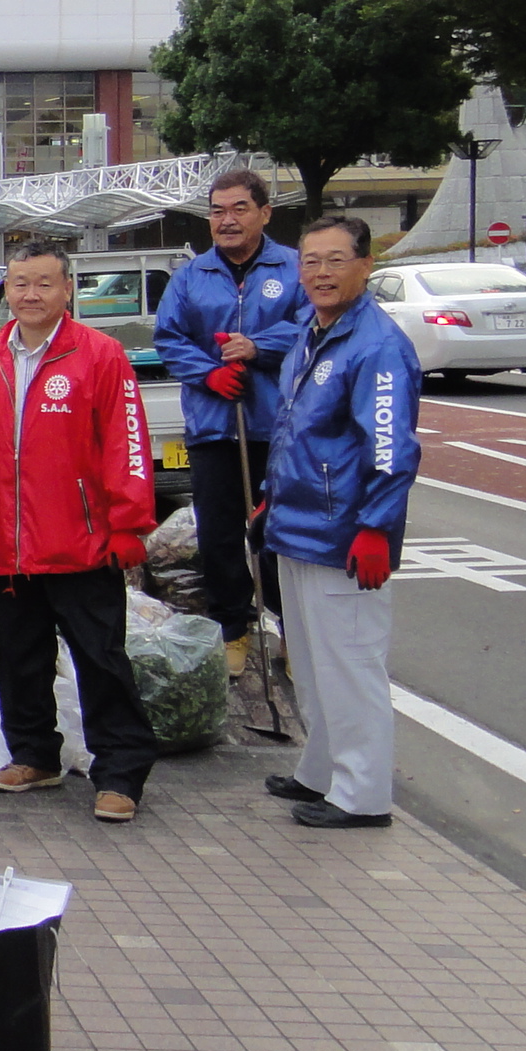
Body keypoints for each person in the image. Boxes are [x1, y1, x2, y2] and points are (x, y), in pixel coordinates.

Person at [0, 241, 162, 823]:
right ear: (6, 290)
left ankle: (120, 772)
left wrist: (129, 523)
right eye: (20, 283)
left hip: (81, 542)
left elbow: (128, 443)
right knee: (17, 656)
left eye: (44, 283)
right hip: (8, 541)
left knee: (100, 659)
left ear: (67, 290)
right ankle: (34, 754)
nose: (31, 294)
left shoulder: (100, 355)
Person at [260, 214, 423, 830]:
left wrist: (376, 527)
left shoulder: (377, 346)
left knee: (351, 666)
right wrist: (270, 497)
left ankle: (362, 795)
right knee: (311, 663)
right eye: (310, 261)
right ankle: (322, 770)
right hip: (297, 525)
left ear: (365, 266)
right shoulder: (313, 330)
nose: (320, 273)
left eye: (335, 260)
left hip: (344, 534)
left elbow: (390, 447)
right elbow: (292, 428)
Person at [152, 167, 311, 672]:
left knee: (278, 533)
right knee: (219, 535)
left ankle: (293, 631)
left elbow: (312, 325)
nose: (227, 220)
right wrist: (209, 373)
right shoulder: (190, 276)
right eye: (217, 211)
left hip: (279, 427)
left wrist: (258, 347)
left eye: (240, 208)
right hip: (213, 427)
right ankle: (232, 628)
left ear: (265, 213)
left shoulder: (294, 268)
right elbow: (169, 337)